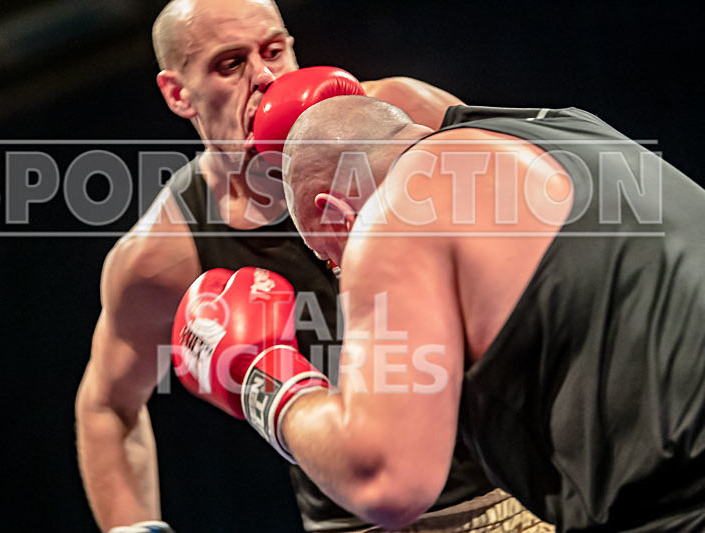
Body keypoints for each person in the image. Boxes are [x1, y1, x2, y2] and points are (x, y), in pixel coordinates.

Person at [76, 0, 551, 532]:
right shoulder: (164, 254)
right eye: (230, 64)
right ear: (178, 93)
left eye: (274, 51)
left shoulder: (400, 118)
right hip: (355, 522)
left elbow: (549, 216)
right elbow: (108, 406)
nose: (264, 77)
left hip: (512, 492)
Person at [170, 93, 705, 531]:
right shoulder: (563, 124)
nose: (341, 274)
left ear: (334, 217)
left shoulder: (391, 217)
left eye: (331, 259)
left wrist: (260, 377)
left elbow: (386, 481)